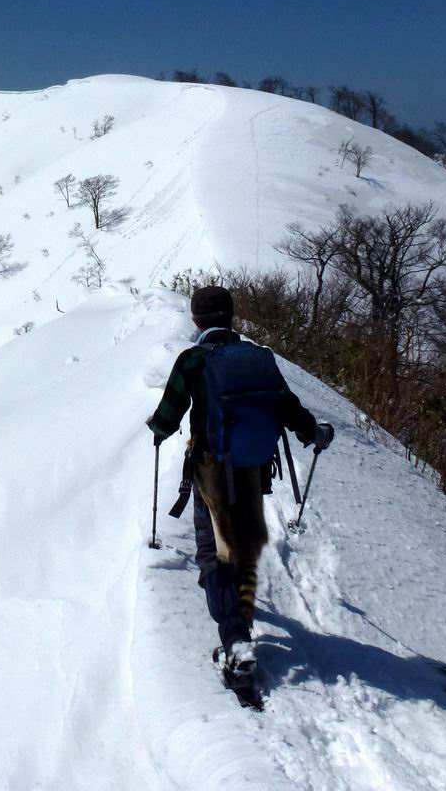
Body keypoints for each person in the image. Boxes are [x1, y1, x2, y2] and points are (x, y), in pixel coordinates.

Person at [146, 285, 333, 683]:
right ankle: (234, 601)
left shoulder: (193, 359)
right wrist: (314, 433)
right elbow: (287, 407)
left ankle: (236, 640)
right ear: (232, 317)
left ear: (196, 321)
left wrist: (158, 430)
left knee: (214, 552)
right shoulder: (258, 358)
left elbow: (167, 416)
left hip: (211, 469)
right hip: (253, 468)